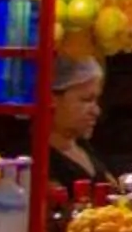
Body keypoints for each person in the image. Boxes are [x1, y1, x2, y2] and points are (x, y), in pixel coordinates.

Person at [48, 54, 114, 190]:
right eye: (86, 100)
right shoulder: (38, 161)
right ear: (51, 100)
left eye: (96, 100)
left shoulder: (83, 146)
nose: (96, 111)